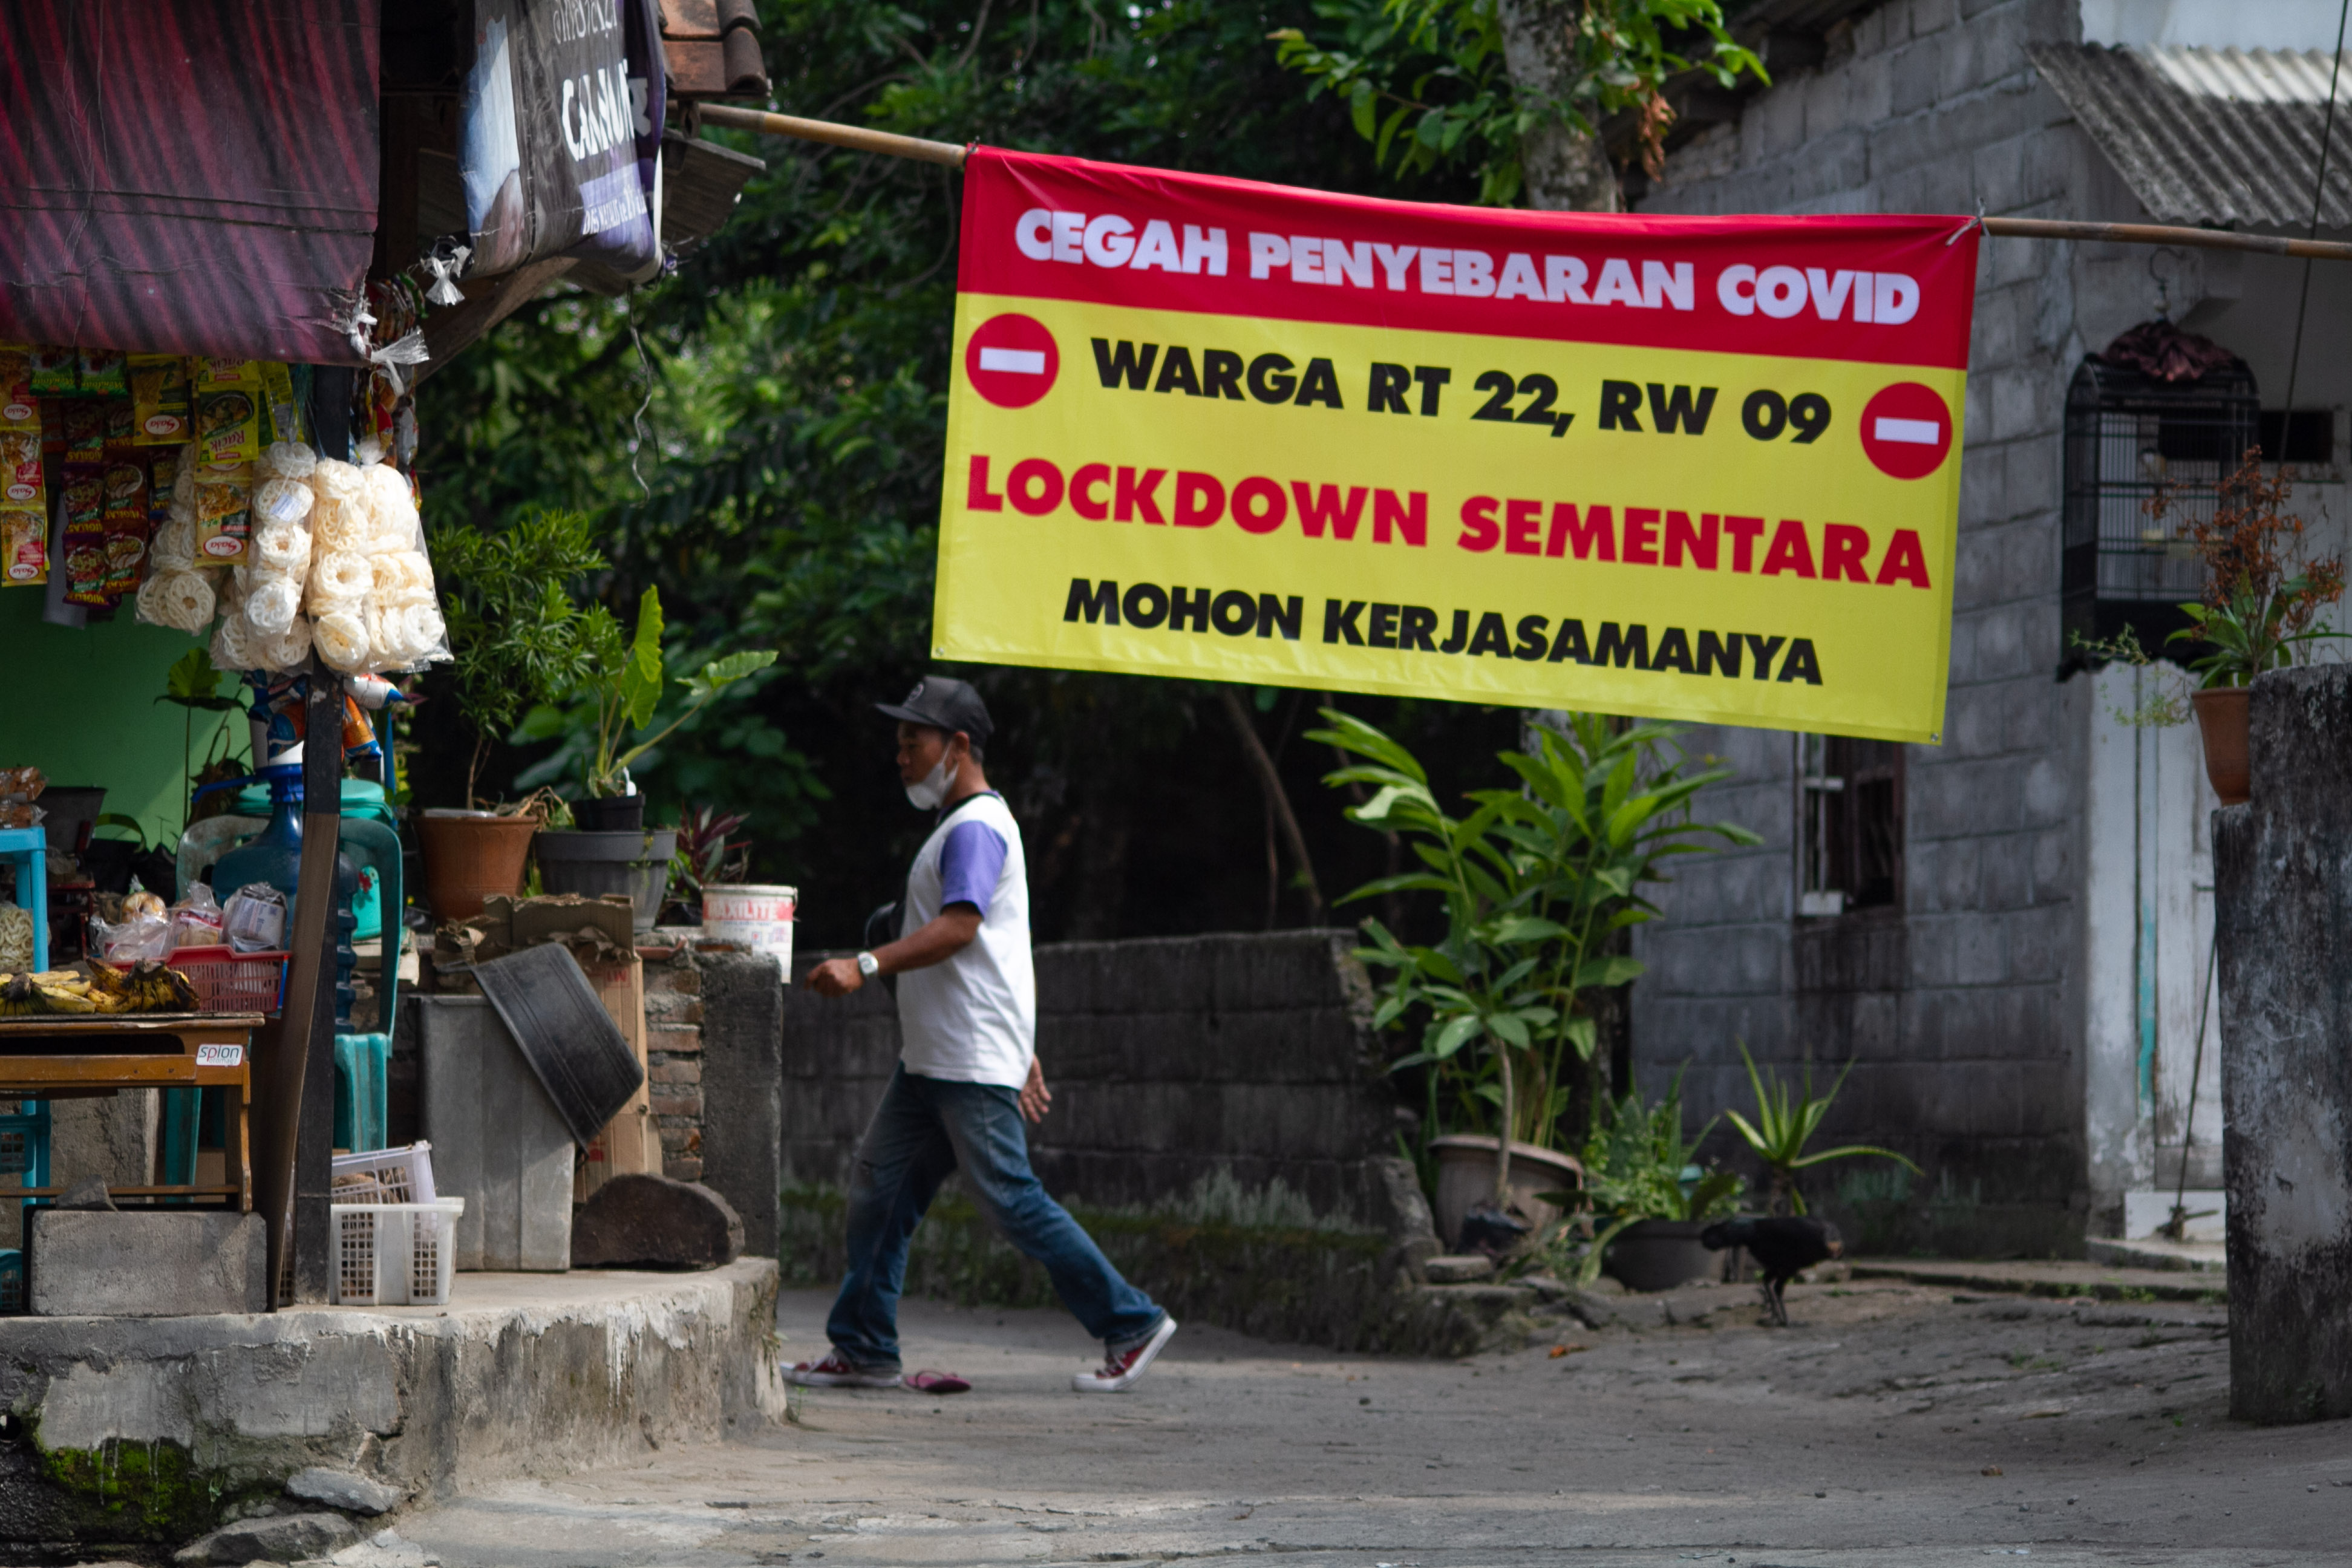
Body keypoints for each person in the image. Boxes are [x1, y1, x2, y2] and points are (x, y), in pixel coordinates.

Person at [790, 675, 1178, 1394]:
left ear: (959, 746)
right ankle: (865, 1346)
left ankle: (1132, 1321)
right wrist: (1020, 1044)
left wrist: (866, 964)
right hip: (933, 1062)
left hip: (965, 1063)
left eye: (914, 741)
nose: (901, 756)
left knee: (1011, 1199)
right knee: (879, 1190)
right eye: (900, 742)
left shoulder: (975, 827)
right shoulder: (961, 826)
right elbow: (1000, 952)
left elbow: (962, 928)